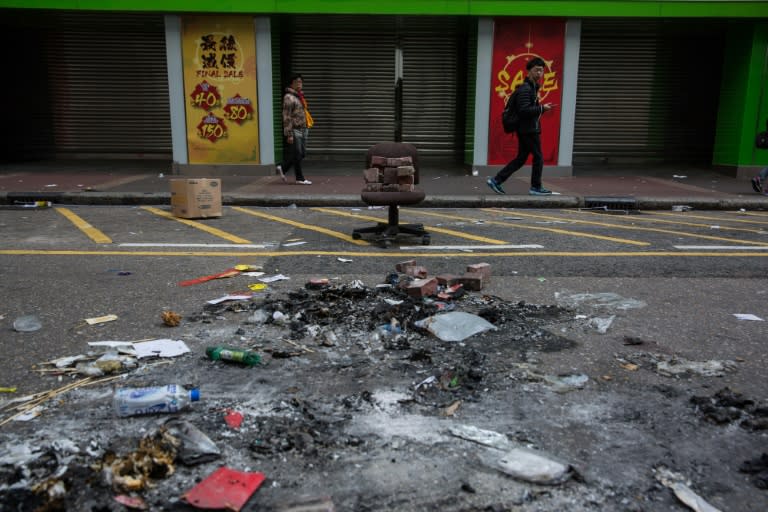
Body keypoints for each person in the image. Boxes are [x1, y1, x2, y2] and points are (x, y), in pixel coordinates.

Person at [487, 57, 555, 195]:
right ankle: (536, 187)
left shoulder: (531, 88)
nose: (539, 74)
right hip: (527, 129)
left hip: (527, 128)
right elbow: (524, 110)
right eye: (536, 70)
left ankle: (497, 180)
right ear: (529, 71)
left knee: (521, 158)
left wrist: (540, 108)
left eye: (542, 71)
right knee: (538, 157)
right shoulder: (525, 89)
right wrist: (542, 108)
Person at [276, 73, 312, 185]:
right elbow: (286, 116)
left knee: (302, 154)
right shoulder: (288, 97)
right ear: (292, 84)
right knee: (298, 153)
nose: (300, 84)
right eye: (297, 82)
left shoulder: (299, 96)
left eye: (301, 82)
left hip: (304, 128)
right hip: (295, 129)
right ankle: (300, 178)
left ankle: (283, 167)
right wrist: (289, 134)